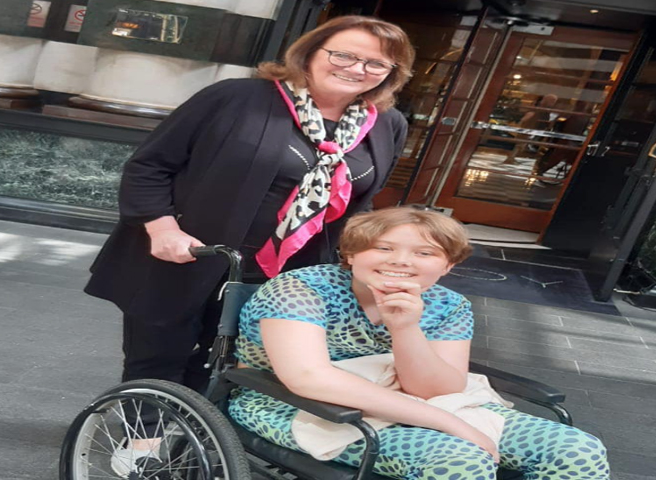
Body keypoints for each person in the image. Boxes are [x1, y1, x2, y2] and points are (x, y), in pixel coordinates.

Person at [83, 16, 414, 476]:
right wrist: (161, 229)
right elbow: (149, 166)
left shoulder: (386, 124)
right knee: (161, 353)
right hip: (188, 254)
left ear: (391, 73)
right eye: (344, 54)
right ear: (311, 52)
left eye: (376, 63)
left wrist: (366, 259)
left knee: (232, 360)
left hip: (289, 273)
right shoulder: (237, 98)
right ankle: (143, 444)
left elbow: (359, 202)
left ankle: (197, 436)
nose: (357, 68)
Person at [229, 207, 610, 480]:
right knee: (458, 461)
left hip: (416, 401)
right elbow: (309, 379)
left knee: (576, 450)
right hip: (293, 404)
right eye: (383, 248)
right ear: (350, 254)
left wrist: (405, 329)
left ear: (448, 266)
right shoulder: (301, 290)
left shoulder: (449, 304)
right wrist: (448, 422)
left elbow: (438, 388)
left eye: (425, 253)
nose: (401, 262)